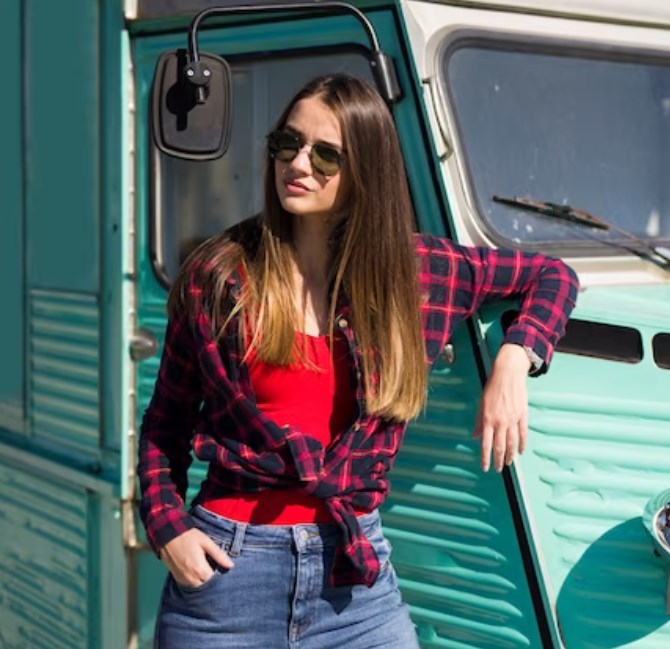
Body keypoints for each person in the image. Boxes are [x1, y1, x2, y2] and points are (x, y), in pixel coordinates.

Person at [137, 73, 579, 648]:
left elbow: (552, 276)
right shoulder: (222, 275)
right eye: (286, 144)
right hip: (228, 578)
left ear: (365, 171)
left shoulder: (419, 272)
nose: (298, 164)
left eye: (325, 155)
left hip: (355, 585)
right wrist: (168, 529)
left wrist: (516, 359)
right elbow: (163, 426)